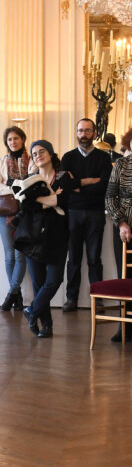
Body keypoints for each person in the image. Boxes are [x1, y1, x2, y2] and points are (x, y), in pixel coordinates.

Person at [17, 140, 75, 338]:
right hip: (34, 236)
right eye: (34, 154)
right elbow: (25, 207)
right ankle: (46, 325)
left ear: (50, 154)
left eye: (42, 152)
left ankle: (31, 310)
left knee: (54, 280)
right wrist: (48, 201)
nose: (38, 156)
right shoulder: (30, 179)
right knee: (38, 283)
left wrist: (37, 200)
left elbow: (63, 200)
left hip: (58, 235)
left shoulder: (63, 177)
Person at [60, 118, 113, 312]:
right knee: (73, 258)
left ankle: (97, 299)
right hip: (72, 213)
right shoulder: (67, 158)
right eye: (80, 131)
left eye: (88, 131)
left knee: (94, 258)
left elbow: (105, 186)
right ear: (76, 133)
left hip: (95, 213)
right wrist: (89, 181)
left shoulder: (103, 158)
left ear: (94, 132)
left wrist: (78, 186)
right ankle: (71, 298)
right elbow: (64, 185)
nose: (83, 135)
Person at [0, 126, 34, 311]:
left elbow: (31, 185)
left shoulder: (31, 161)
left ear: (23, 139)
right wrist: (17, 187)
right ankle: (16, 294)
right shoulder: (0, 162)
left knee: (20, 254)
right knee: (9, 256)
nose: (13, 142)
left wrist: (10, 183)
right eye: (9, 139)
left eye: (16, 138)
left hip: (25, 212)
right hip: (4, 212)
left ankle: (12, 293)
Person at [105, 127, 132, 342]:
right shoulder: (122, 165)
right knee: (126, 277)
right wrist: (121, 223)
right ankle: (126, 326)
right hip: (125, 228)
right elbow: (110, 197)